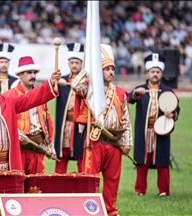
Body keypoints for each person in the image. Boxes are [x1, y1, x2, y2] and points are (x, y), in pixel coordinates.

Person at [71, 44, 132, 216]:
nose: (111, 72)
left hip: (115, 142)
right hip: (95, 140)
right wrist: (87, 69)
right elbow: (75, 85)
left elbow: (126, 119)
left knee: (113, 179)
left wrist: (128, 141)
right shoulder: (90, 89)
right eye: (106, 69)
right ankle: (89, 210)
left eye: (113, 69)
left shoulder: (120, 93)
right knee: (90, 178)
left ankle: (110, 210)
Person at [129, 53, 180, 197]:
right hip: (143, 131)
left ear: (161, 73)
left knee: (162, 161)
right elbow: (128, 99)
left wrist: (172, 114)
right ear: (147, 72)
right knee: (142, 161)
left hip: (161, 131)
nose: (155, 74)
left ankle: (163, 190)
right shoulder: (140, 89)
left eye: (158, 72)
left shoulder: (167, 91)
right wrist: (134, 94)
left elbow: (177, 109)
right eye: (153, 71)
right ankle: (140, 190)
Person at [3, 56, 57, 174]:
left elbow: (47, 120)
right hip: (19, 149)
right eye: (29, 73)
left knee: (36, 187)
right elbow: (4, 121)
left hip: (38, 148)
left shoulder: (41, 95)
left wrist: (50, 142)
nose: (33, 76)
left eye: (34, 73)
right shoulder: (9, 95)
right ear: (20, 75)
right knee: (17, 185)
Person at [54, 43, 85, 174]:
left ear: (81, 63)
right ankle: (58, 183)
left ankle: (83, 184)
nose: (74, 65)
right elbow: (50, 90)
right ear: (68, 63)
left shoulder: (87, 81)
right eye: (72, 62)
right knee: (62, 154)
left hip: (80, 123)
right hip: (65, 123)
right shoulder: (61, 81)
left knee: (81, 154)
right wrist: (55, 81)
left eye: (77, 62)